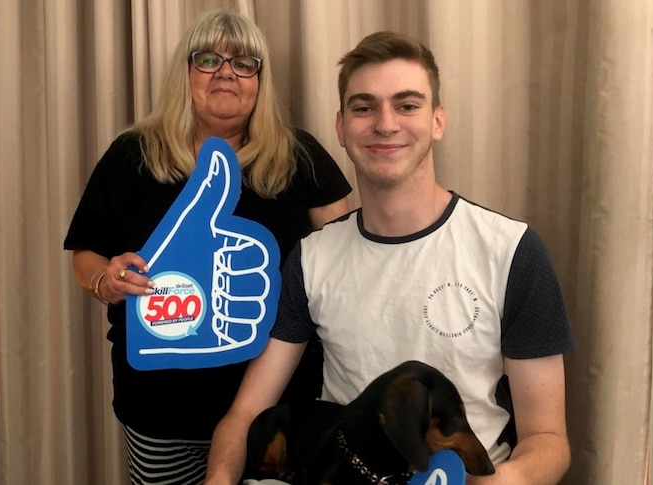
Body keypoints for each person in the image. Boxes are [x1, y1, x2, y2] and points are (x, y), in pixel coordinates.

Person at [205, 31, 575, 485]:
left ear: (438, 121)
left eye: (407, 105)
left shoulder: (512, 251)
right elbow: (247, 412)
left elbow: (548, 439)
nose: (385, 124)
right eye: (364, 107)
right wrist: (219, 480)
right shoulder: (310, 258)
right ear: (341, 127)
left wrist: (500, 482)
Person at [63, 9, 352, 485]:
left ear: (261, 79)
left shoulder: (299, 156)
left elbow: (348, 258)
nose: (225, 73)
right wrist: (104, 279)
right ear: (186, 72)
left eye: (243, 63)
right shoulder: (133, 154)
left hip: (277, 409)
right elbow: (85, 253)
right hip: (161, 407)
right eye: (208, 59)